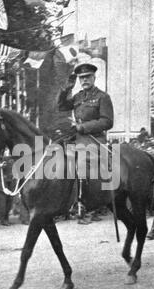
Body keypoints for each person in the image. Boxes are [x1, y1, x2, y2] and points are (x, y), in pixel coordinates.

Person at [57, 62, 114, 224]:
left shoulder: (103, 97)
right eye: (81, 78)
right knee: (57, 158)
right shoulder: (78, 97)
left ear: (94, 77)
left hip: (94, 138)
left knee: (84, 164)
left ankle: (87, 206)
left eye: (88, 77)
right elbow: (61, 106)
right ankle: (64, 203)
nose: (84, 80)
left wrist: (83, 127)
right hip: (77, 138)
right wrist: (66, 89)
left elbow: (107, 122)